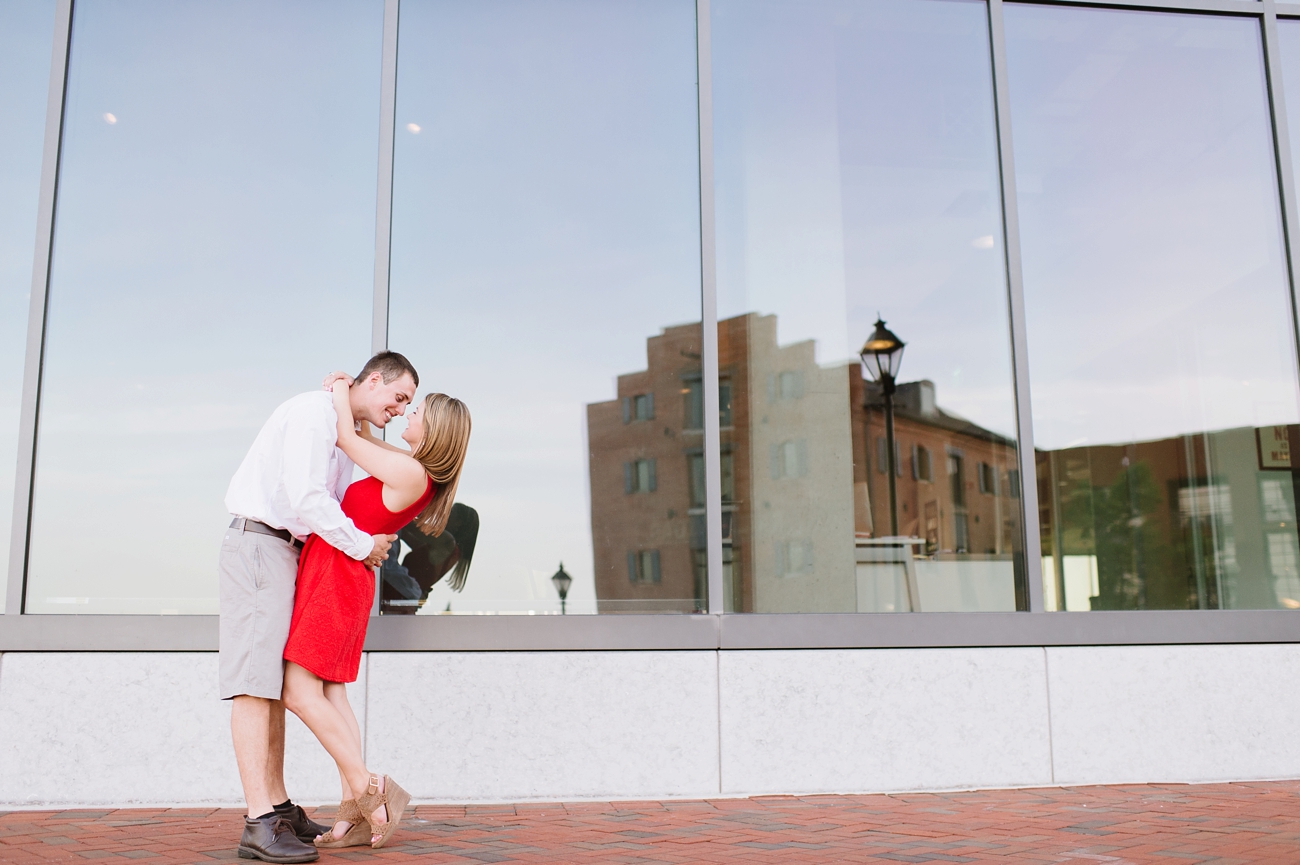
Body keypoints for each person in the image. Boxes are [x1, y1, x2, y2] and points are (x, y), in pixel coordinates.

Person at [219, 352, 417, 863]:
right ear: (373, 380)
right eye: (398, 397)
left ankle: (279, 807)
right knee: (253, 684)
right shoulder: (314, 413)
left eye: (408, 406)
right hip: (261, 544)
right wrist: (362, 545)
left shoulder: (341, 422)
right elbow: (308, 497)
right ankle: (259, 822)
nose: (399, 410)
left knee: (275, 682)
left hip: (290, 553)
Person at [281, 378, 472, 849]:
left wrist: (343, 388)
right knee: (330, 690)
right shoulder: (409, 469)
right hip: (340, 571)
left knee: (297, 689)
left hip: (338, 576)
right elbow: (361, 437)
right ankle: (353, 810)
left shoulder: (411, 474)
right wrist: (353, 403)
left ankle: (371, 788)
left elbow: (346, 437)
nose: (407, 414)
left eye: (416, 411)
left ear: (433, 429)